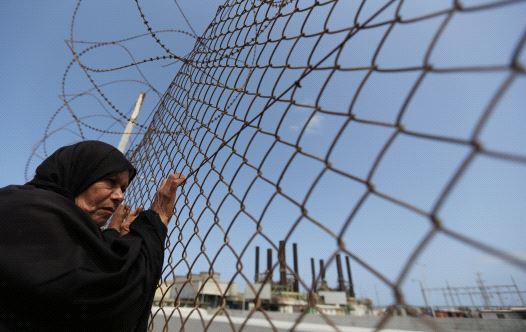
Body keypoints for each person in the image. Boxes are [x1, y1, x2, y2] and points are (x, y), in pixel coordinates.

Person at [0, 140, 185, 331]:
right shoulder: (28, 213)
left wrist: (114, 233)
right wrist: (157, 217)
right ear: (82, 173)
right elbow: (110, 298)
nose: (120, 196)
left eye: (123, 188)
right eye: (111, 182)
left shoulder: (43, 213)